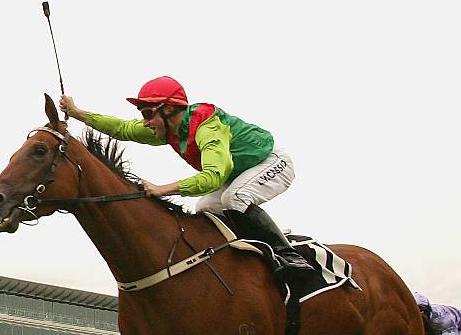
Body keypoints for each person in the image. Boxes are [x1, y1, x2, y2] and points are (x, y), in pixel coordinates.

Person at [59, 77, 313, 283]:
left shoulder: (207, 128)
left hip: (271, 162)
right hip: (237, 173)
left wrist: (164, 189)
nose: (145, 122)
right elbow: (122, 129)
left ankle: (288, 254)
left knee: (234, 197)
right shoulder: (166, 129)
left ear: (168, 110)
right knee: (205, 207)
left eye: (148, 113)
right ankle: (251, 250)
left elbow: (213, 177)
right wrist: (76, 112)